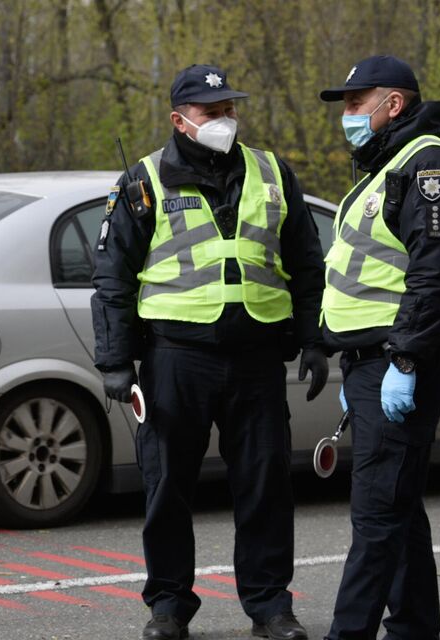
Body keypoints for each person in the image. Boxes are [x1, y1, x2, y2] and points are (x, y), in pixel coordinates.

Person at [91, 64, 326, 640]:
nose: (225, 119)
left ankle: (270, 607)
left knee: (266, 485)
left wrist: (316, 341)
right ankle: (168, 606)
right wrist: (116, 360)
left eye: (229, 108)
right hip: (176, 358)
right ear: (180, 120)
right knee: (167, 485)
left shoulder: (271, 172)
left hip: (257, 360)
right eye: (211, 111)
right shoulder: (143, 180)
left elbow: (305, 264)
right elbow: (113, 277)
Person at [318, 55, 440, 640]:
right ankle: (413, 628)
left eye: (357, 104)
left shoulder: (428, 165)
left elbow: (434, 275)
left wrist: (404, 359)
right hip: (374, 361)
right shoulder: (385, 167)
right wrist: (338, 349)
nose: (349, 115)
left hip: (399, 358)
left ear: (394, 104)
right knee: (398, 511)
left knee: (377, 515)